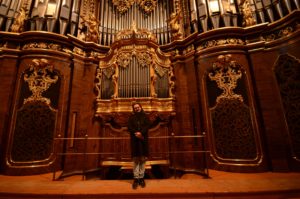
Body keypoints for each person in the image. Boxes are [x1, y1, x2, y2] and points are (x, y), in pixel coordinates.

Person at [128, 102, 151, 189]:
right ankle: (136, 179)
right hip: (135, 140)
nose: (137, 108)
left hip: (143, 140)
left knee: (143, 160)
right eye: (135, 108)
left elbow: (148, 125)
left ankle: (141, 178)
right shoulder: (131, 117)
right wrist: (136, 133)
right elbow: (129, 127)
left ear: (140, 107)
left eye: (138, 107)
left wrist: (141, 133)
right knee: (136, 161)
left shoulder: (145, 116)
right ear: (133, 109)